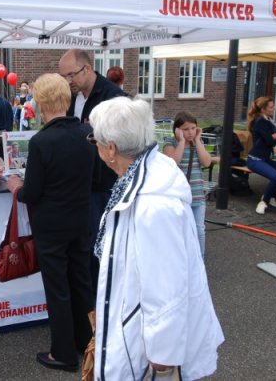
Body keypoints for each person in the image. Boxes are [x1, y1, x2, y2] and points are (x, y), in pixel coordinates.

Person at [87, 97, 224, 380]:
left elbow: (167, 288)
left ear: (111, 149)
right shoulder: (137, 178)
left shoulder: (154, 204)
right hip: (132, 324)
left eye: (94, 140)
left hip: (145, 346)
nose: (94, 147)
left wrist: (162, 360)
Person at [6, 73, 96, 373]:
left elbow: (32, 193)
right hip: (80, 219)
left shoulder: (41, 141)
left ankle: (63, 353)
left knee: (57, 287)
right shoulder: (87, 134)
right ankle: (87, 343)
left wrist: (16, 187)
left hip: (52, 226)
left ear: (40, 103)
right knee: (81, 282)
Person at [59, 48, 128, 297]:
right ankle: (87, 303)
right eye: (64, 77)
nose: (68, 81)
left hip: (102, 187)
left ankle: (101, 304)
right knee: (82, 248)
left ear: (87, 69)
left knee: (99, 249)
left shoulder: (113, 97)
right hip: (79, 184)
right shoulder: (73, 97)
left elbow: (123, 144)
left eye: (71, 75)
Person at [163, 111, 212, 257]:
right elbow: (173, 162)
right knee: (178, 230)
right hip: (178, 196)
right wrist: (181, 142)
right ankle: (180, 258)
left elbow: (206, 162)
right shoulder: (170, 143)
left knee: (199, 229)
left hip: (197, 195)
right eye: (186, 129)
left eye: (193, 128)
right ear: (177, 130)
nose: (190, 132)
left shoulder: (197, 144)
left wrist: (198, 141)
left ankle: (200, 259)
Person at [247, 97, 276, 215]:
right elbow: (270, 141)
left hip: (265, 159)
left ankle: (270, 196)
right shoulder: (260, 122)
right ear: (263, 109)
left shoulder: (268, 120)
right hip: (255, 160)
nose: (274, 108)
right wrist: (274, 137)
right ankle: (263, 202)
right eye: (271, 107)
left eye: (273, 106)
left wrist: (275, 137)